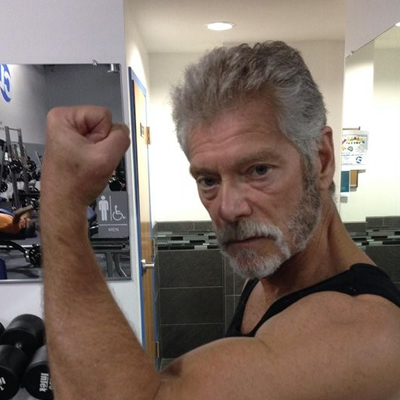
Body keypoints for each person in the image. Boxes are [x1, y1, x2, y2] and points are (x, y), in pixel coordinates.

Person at [40, 41, 400, 400]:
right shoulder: (268, 274)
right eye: (208, 180)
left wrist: (63, 199)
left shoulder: (366, 333)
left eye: (258, 170)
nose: (227, 209)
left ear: (321, 160)